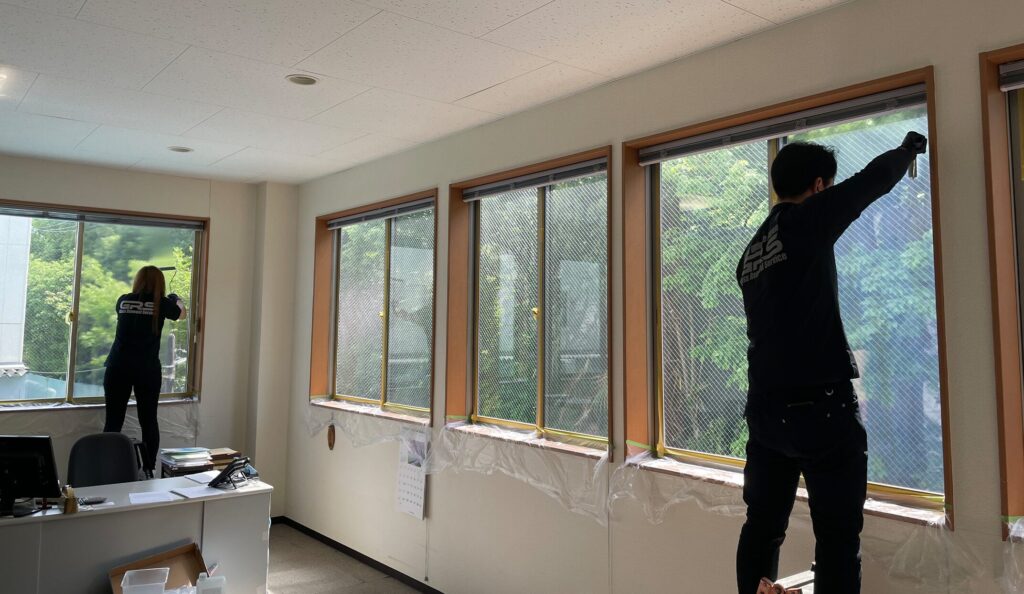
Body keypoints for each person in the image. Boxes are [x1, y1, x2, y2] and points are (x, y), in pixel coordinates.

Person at [734, 131, 928, 594]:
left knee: (762, 525)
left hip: (766, 414)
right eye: (828, 187)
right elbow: (869, 183)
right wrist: (908, 151)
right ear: (819, 186)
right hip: (818, 409)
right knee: (838, 538)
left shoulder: (752, 252)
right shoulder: (806, 221)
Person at [103, 265, 186, 474]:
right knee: (148, 420)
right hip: (146, 369)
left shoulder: (123, 300)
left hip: (117, 366)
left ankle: (106, 468)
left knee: (113, 422)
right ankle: (148, 469)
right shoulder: (162, 304)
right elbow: (182, 314)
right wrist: (176, 299)